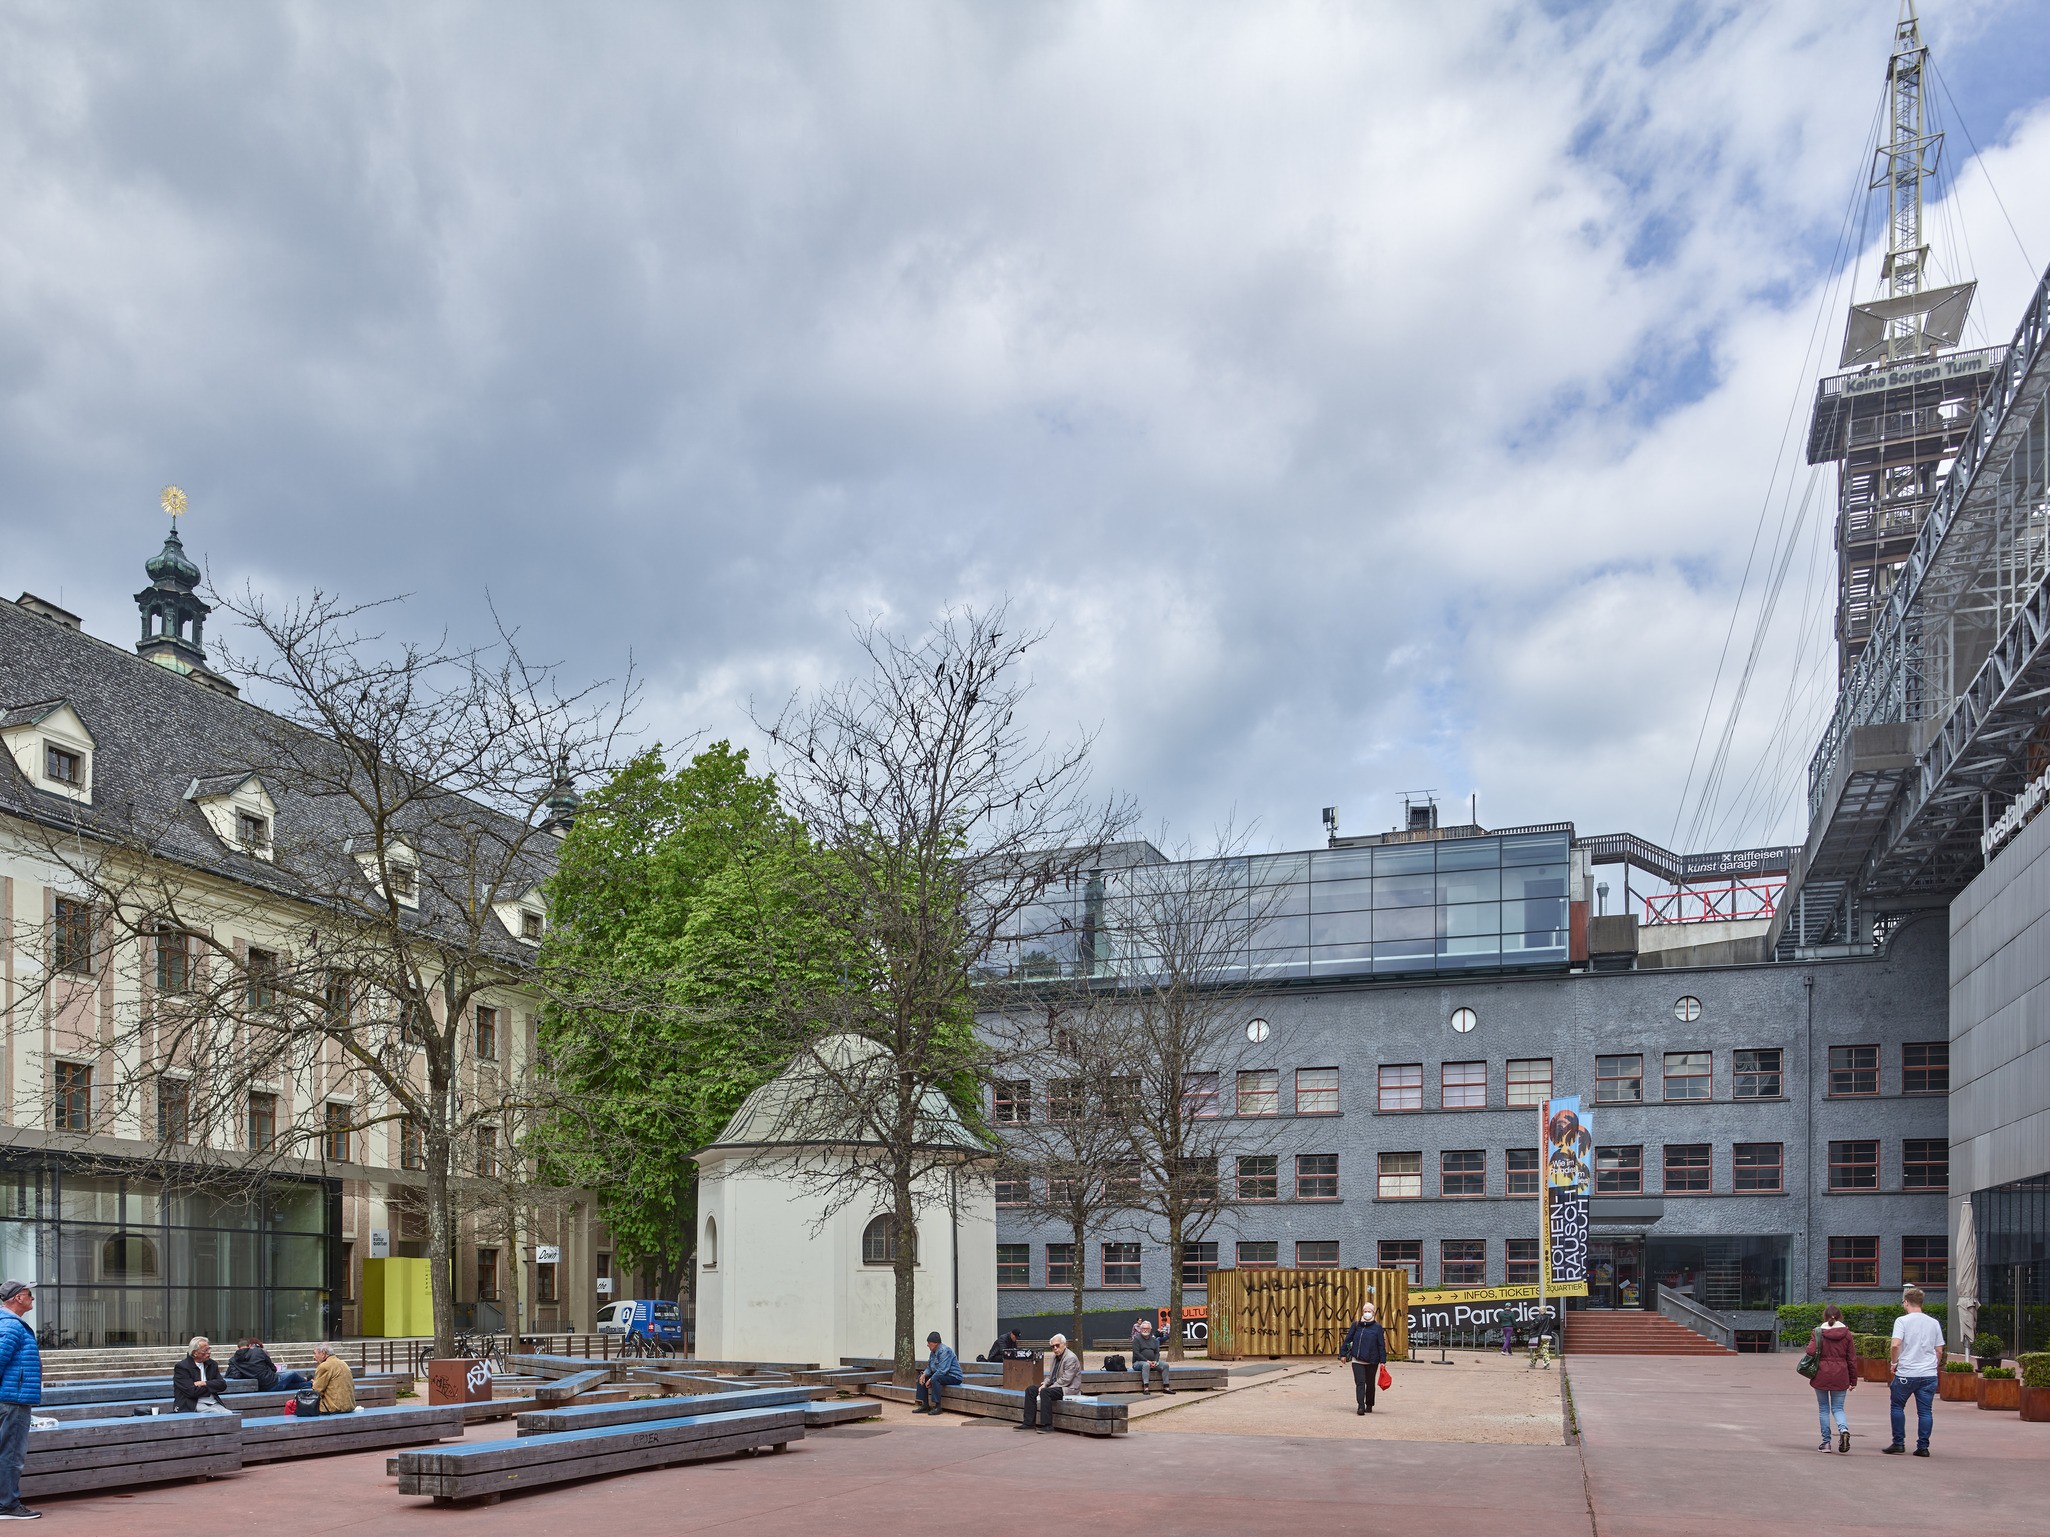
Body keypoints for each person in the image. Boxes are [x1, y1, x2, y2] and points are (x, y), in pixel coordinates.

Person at [0, 1280, 43, 1521]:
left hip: (11, 1397)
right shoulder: (12, 1326)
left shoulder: (10, 1324)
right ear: (17, 1298)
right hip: (12, 1400)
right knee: (11, 1454)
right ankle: (7, 1505)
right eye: (29, 1294)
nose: (32, 1298)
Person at [1885, 1287, 1944, 1457]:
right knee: (1925, 1411)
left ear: (1906, 1302)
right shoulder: (1933, 1322)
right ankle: (1923, 1447)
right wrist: (1934, 1365)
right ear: (1921, 1303)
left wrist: (1894, 1363)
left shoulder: (1902, 1321)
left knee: (1897, 1406)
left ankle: (1898, 1443)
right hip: (1928, 1374)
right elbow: (1939, 1350)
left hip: (1906, 1373)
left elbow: (1895, 1345)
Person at [1807, 1303, 1857, 1454]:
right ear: (1840, 1316)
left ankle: (1826, 1443)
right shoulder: (1847, 1334)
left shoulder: (1818, 1332)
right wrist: (1853, 1380)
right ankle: (1843, 1429)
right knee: (1838, 1408)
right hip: (1841, 1374)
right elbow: (1852, 1359)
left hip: (1821, 1373)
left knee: (1824, 1409)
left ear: (1825, 1317)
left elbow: (1810, 1351)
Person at [1018, 1332, 1082, 1432]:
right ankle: (1029, 1423)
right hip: (1055, 1386)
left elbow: (1066, 1380)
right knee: (1030, 1390)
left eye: (1057, 1345)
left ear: (1064, 1344)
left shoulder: (1071, 1358)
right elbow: (1050, 1375)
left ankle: (1047, 1425)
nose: (1055, 1348)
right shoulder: (1054, 1357)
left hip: (1068, 1388)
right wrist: (1045, 1383)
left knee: (1045, 1392)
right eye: (1052, 1347)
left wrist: (1047, 1388)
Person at [1338, 1302, 1388, 1415]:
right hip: (1357, 1359)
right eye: (1365, 1311)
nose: (1367, 1313)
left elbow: (1381, 1345)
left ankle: (1369, 1404)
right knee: (1360, 1383)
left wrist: (1383, 1361)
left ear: (1373, 1313)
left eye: (1369, 1311)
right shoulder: (1356, 1325)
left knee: (1370, 1383)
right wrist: (1343, 1354)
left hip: (1372, 1360)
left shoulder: (1377, 1328)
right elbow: (1347, 1340)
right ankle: (1360, 1406)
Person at [226, 1337, 310, 1394]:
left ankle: (310, 1383)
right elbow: (273, 1368)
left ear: (237, 1347)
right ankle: (305, 1379)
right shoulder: (258, 1351)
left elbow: (236, 1375)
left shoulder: (233, 1360)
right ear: (249, 1346)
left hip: (262, 1387)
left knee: (290, 1386)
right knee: (291, 1374)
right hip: (272, 1381)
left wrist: (247, 1373)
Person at [173, 1336, 230, 1414]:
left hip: (212, 1402)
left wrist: (204, 1383)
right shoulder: (182, 1367)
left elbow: (222, 1385)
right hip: (192, 1403)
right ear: (195, 1353)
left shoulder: (212, 1364)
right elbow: (191, 1392)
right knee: (213, 1412)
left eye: (209, 1349)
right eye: (205, 1350)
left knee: (228, 1414)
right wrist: (212, 1387)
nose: (209, 1352)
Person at [915, 1331, 961, 1414]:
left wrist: (931, 1379)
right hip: (941, 1376)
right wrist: (924, 1374)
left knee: (935, 1379)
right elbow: (930, 1367)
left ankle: (938, 1406)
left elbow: (943, 1370)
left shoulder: (945, 1351)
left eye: (929, 1343)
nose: (927, 1345)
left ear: (935, 1343)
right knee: (921, 1377)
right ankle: (924, 1405)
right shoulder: (933, 1352)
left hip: (953, 1377)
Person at [309, 1344, 357, 1416]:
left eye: (315, 1353)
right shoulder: (343, 1363)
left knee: (291, 1405)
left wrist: (314, 1384)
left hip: (332, 1408)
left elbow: (316, 1391)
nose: (314, 1357)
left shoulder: (324, 1366)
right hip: (349, 1406)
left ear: (323, 1354)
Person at [1129, 1318, 1172, 1394]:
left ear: (1150, 1329)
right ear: (1141, 1329)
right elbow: (1136, 1353)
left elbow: (1157, 1352)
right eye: (1143, 1328)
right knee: (1146, 1365)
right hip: (1138, 1363)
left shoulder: (1154, 1340)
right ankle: (1146, 1388)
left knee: (1165, 1365)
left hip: (1152, 1362)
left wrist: (1155, 1361)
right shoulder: (1136, 1339)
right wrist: (1147, 1361)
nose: (1145, 1330)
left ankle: (1166, 1387)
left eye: (1147, 1328)